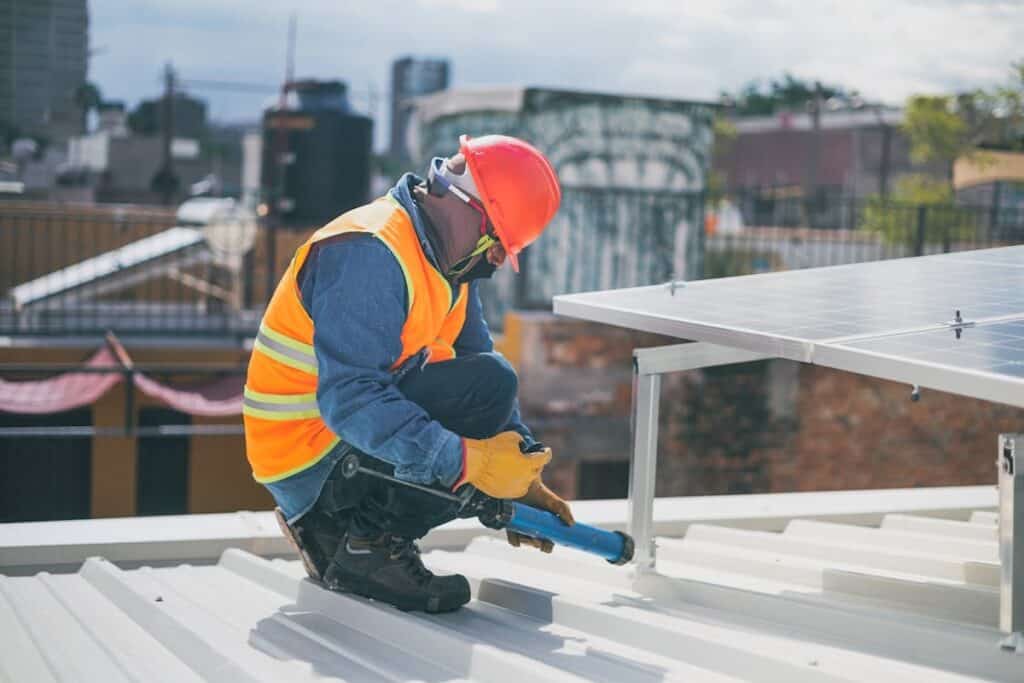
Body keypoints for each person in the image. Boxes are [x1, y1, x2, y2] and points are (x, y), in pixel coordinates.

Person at [243, 134, 574, 613]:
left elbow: (476, 375)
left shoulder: (448, 265)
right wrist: (469, 464)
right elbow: (351, 400)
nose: (497, 261)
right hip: (310, 459)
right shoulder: (370, 251)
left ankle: (359, 538)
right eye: (498, 242)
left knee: (487, 386)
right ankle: (365, 547)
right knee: (485, 394)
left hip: (342, 443)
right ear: (466, 207)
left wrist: (518, 476)